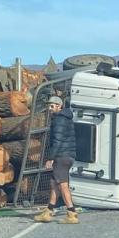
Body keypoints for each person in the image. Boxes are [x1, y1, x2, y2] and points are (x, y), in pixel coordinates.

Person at [34, 95, 79, 224]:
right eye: (49, 106)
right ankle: (48, 212)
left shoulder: (59, 119)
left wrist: (50, 158)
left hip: (62, 157)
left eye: (52, 106)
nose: (49, 108)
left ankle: (72, 213)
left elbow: (57, 141)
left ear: (59, 106)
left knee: (63, 185)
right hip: (67, 155)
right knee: (54, 184)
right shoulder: (65, 118)